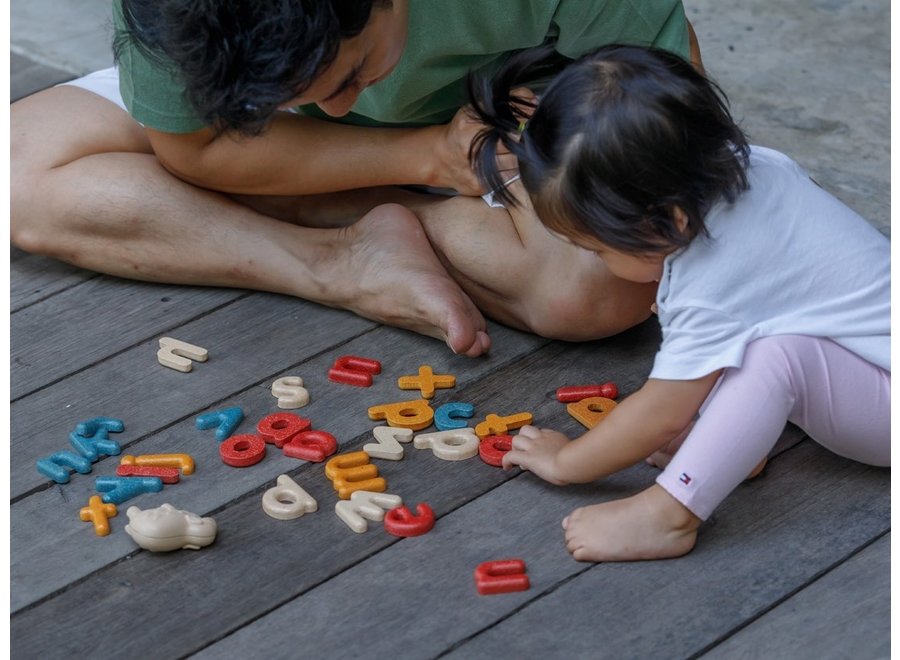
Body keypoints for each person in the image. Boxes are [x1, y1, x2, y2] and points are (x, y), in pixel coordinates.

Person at [11, 0, 702, 357]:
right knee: (17, 174)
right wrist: (421, 157)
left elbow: (663, 118)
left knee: (598, 290)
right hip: (378, 151)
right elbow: (193, 146)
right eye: (294, 95)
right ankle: (338, 262)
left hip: (513, 121)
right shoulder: (182, 11)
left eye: (350, 73)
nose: (338, 107)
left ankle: (332, 216)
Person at [468, 44, 890, 561]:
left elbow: (661, 414)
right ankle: (732, 443)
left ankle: (669, 516)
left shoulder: (712, 281)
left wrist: (567, 462)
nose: (597, 262)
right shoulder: (758, 167)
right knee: (759, 345)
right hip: (874, 367)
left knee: (774, 358)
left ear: (672, 220)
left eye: (596, 247)